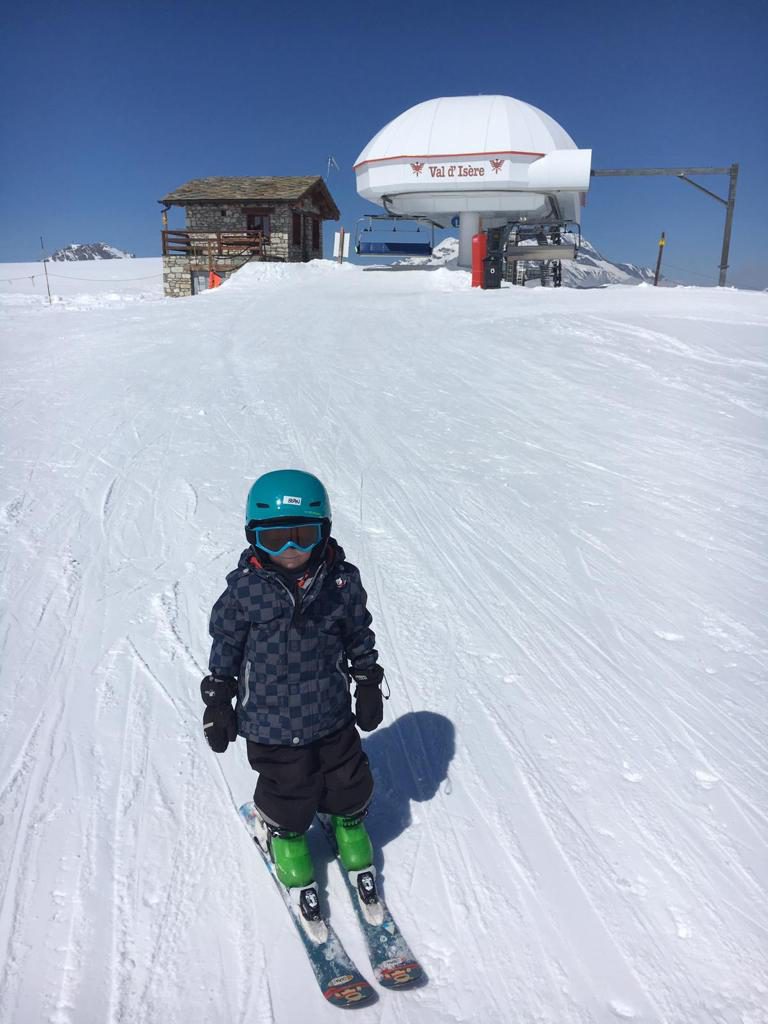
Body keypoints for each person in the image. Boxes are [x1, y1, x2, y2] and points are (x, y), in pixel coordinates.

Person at [200, 469, 385, 896]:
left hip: (330, 711)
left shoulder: (341, 584)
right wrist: (219, 697)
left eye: (303, 535)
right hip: (269, 721)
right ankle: (286, 834)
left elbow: (358, 633)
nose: (290, 549)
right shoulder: (245, 592)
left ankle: (348, 820)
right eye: (275, 538)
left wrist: (368, 680)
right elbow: (226, 643)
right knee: (289, 785)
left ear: (324, 532)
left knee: (348, 774)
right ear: (253, 536)